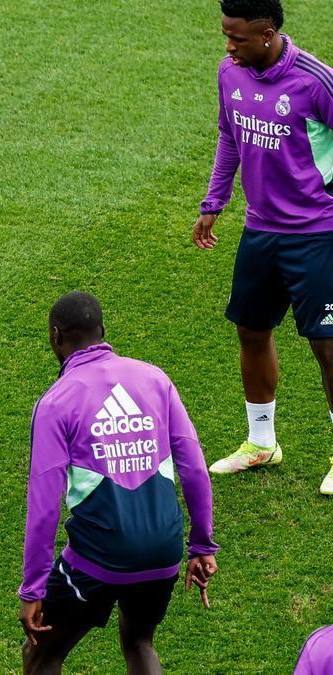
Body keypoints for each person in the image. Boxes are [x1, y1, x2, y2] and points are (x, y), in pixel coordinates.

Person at [19, 292, 219, 674]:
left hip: (97, 556)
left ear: (56, 337)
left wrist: (33, 590)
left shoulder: (57, 402)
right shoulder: (154, 379)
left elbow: (43, 506)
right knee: (139, 641)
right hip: (162, 553)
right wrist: (202, 545)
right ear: (103, 332)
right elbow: (194, 466)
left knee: (41, 654)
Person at [193, 0, 333, 492]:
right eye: (225, 35)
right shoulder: (231, 74)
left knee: (328, 342)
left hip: (319, 232)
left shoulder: (318, 81)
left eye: (239, 38)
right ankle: (261, 442)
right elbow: (229, 136)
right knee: (252, 331)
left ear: (268, 33)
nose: (229, 46)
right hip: (261, 230)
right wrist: (215, 201)